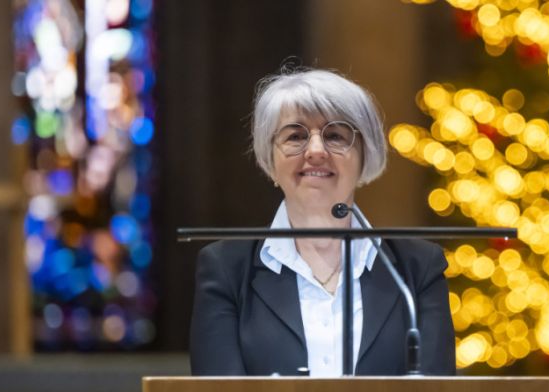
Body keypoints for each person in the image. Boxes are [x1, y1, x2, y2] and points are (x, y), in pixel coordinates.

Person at [190, 69, 455, 376]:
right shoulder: (225, 269)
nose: (316, 151)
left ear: (364, 156)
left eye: (335, 136)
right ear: (270, 160)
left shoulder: (417, 269)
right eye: (296, 136)